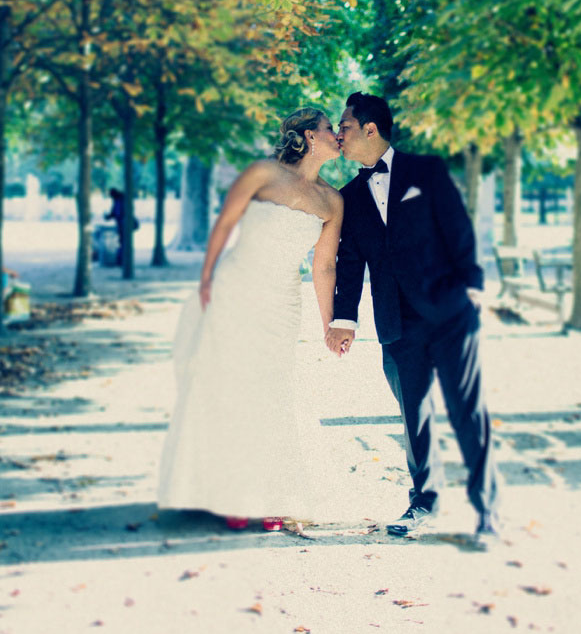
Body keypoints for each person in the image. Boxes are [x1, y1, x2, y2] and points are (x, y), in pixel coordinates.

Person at [158, 107, 343, 531]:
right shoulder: (261, 174)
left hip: (282, 302)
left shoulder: (333, 200)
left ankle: (271, 492)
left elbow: (324, 266)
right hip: (236, 290)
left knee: (273, 390)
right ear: (309, 137)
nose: (337, 135)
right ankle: (231, 492)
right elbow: (224, 224)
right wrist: (205, 279)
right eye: (330, 128)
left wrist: (328, 324)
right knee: (230, 386)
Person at [326, 92, 499, 538]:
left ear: (370, 129)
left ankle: (487, 511)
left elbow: (458, 232)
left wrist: (473, 288)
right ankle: (424, 503)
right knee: (414, 416)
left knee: (467, 411)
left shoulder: (427, 171)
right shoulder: (347, 198)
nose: (338, 135)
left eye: (344, 126)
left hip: (449, 315)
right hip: (396, 325)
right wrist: (343, 319)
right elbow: (349, 264)